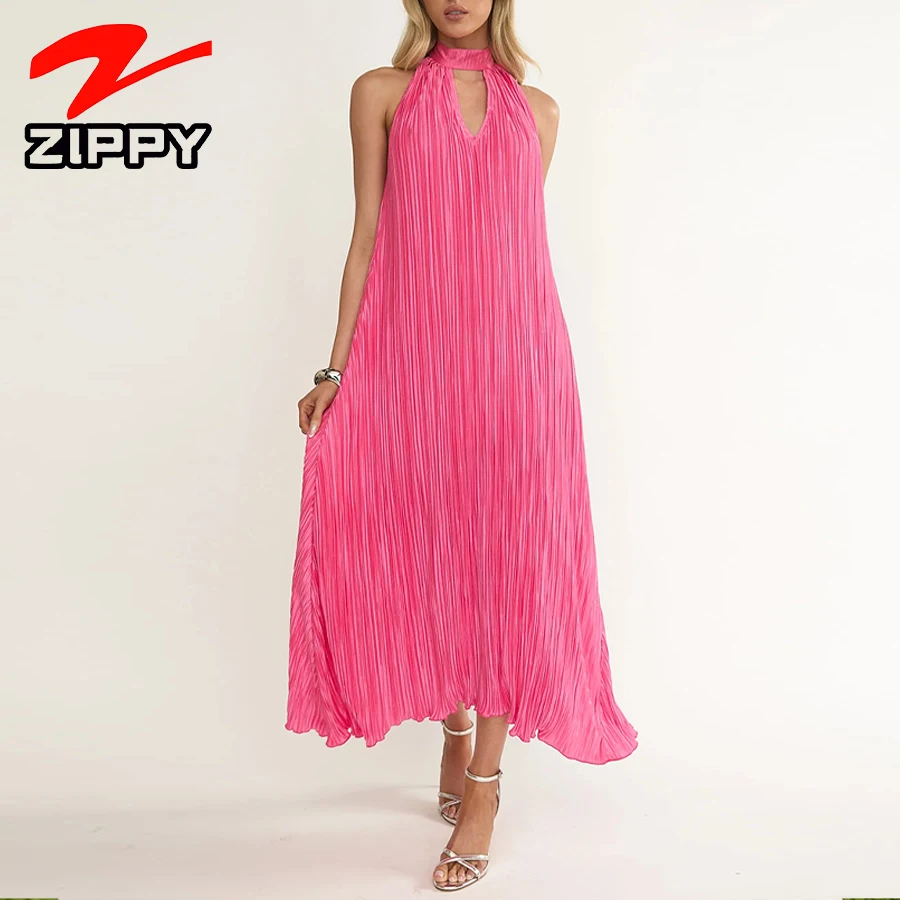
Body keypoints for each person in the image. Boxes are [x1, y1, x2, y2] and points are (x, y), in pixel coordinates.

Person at [287, 0, 638, 891]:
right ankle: (450, 717)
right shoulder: (381, 93)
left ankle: (484, 784)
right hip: (412, 363)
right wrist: (334, 370)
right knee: (426, 543)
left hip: (521, 370)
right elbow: (368, 236)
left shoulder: (540, 112)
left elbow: (510, 250)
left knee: (508, 564)